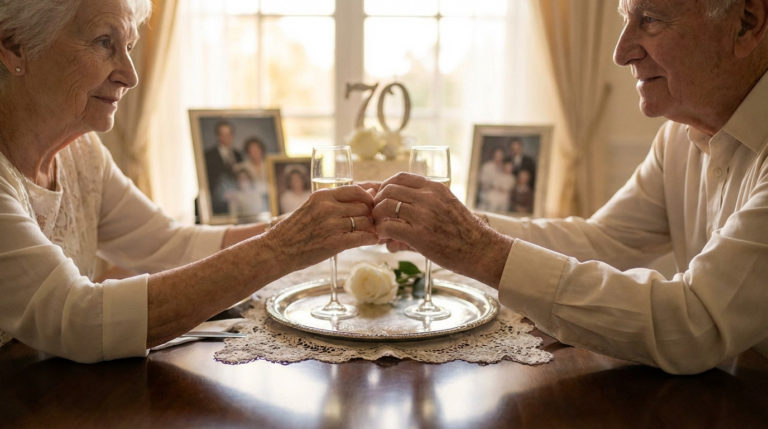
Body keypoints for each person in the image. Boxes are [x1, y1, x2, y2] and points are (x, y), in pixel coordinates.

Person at [371, 0, 768, 374]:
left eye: (649, 19)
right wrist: (459, 228)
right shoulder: (679, 138)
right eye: (625, 18)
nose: (621, 51)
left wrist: (476, 247)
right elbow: (603, 241)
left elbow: (695, 323)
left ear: (747, 22)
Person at [0, 0, 377, 363]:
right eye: (104, 42)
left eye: (129, 46)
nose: (129, 75)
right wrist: (285, 247)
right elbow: (81, 321)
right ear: (14, 46)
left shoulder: (81, 153)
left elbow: (170, 244)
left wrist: (310, 226)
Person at [204, 120, 243, 214]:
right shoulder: (209, 155)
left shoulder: (238, 155)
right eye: (224, 134)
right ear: (218, 136)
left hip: (238, 201)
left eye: (229, 134)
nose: (227, 137)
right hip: (219, 203)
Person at [477, 146, 515, 212]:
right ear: (493, 155)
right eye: (497, 156)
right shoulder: (487, 166)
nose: (498, 158)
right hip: (487, 193)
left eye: (500, 156)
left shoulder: (503, 168)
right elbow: (483, 183)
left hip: (501, 195)